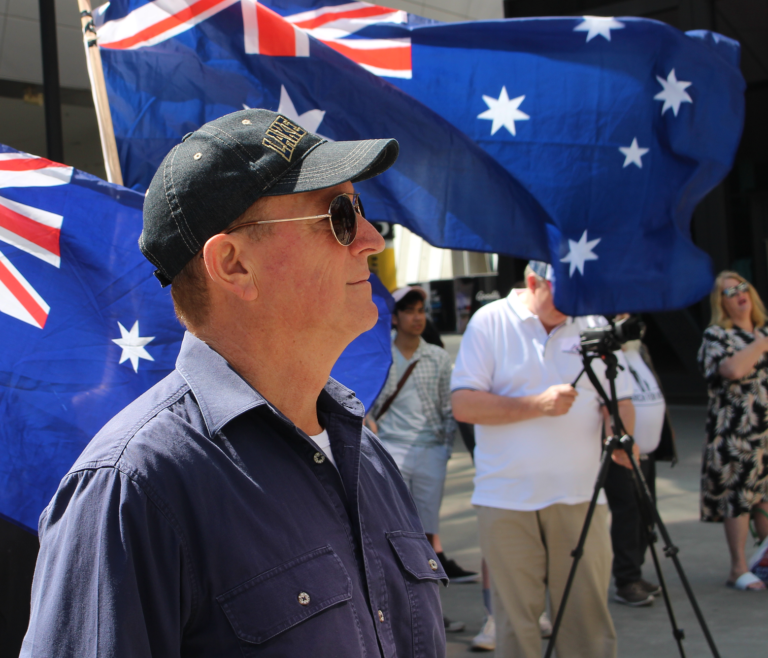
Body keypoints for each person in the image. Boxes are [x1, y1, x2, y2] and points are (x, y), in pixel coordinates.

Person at [21, 109, 448, 657]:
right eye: (339, 215)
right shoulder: (132, 490)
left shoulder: (367, 455)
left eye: (361, 211)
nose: (371, 240)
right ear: (233, 264)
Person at [451, 262, 636, 658]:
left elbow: (619, 398)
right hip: (507, 499)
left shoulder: (591, 321)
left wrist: (616, 433)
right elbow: (464, 404)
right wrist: (537, 405)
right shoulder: (490, 321)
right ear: (533, 282)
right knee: (517, 624)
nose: (570, 305)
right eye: (561, 294)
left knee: (587, 622)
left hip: (581, 496)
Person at [368, 286, 478, 589]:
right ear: (394, 317)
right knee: (394, 527)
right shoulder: (379, 355)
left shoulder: (438, 357)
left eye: (421, 311)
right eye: (409, 311)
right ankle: (402, 594)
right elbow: (367, 402)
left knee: (427, 527)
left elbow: (448, 406)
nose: (417, 318)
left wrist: (443, 450)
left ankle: (429, 603)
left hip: (431, 449)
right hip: (390, 450)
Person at [698, 270, 768, 591]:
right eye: (730, 292)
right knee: (738, 499)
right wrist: (761, 342)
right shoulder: (717, 336)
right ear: (722, 303)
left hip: (766, 433)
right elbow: (734, 369)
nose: (739, 293)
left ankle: (763, 561)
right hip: (736, 434)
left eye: (742, 286)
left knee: (765, 499)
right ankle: (737, 568)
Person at [603, 316, 667, 606]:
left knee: (645, 514)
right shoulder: (606, 353)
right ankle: (626, 579)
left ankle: (635, 572)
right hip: (621, 452)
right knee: (627, 513)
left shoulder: (639, 351)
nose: (627, 324)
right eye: (618, 319)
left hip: (647, 451)